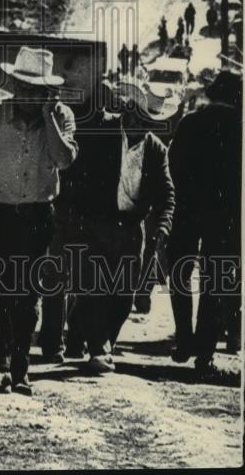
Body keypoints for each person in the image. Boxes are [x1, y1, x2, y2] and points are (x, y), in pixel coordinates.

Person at [0, 47, 77, 396]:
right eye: (23, 88)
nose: (28, 96)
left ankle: (20, 368)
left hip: (36, 215)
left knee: (28, 295)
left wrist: (50, 117)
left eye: (37, 90)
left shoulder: (62, 117)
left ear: (48, 92)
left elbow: (65, 159)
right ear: (12, 84)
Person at [67, 79, 175, 374]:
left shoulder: (156, 150)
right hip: (93, 224)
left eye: (149, 121)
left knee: (123, 296)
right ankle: (100, 349)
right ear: (128, 110)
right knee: (94, 288)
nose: (142, 125)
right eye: (139, 116)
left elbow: (167, 194)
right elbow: (75, 168)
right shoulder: (102, 130)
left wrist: (162, 226)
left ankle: (88, 337)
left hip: (130, 230)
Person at [167, 71, 243, 380]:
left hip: (186, 211)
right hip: (226, 216)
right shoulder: (241, 125)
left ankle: (184, 339)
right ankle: (204, 353)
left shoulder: (189, 123)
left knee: (180, 274)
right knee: (216, 283)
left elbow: (171, 166)